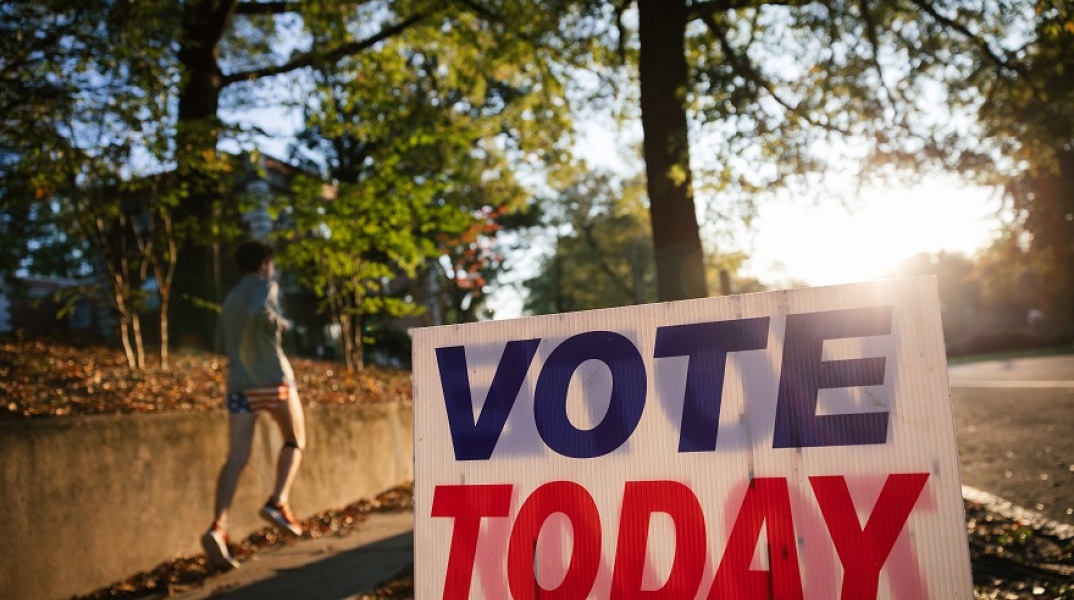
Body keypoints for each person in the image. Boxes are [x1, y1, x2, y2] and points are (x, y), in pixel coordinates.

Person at [201, 240, 306, 570]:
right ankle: (278, 501)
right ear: (264, 263)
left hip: (239, 385)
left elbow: (220, 341)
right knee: (294, 440)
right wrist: (283, 325)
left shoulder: (230, 297)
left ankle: (218, 527)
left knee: (236, 457)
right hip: (273, 380)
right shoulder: (265, 285)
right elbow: (259, 311)